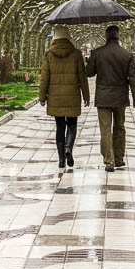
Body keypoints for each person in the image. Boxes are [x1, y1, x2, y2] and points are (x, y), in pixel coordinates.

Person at [86, 25, 135, 172]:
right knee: (120, 128)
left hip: (103, 98)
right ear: (119, 36)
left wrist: (90, 59)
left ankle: (109, 161)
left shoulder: (97, 53)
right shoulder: (126, 55)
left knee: (105, 129)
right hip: (120, 97)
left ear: (106, 36)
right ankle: (119, 158)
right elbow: (133, 78)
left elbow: (89, 73)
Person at [39, 25, 90, 169]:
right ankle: (68, 148)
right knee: (72, 125)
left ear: (55, 37)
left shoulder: (48, 54)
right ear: (68, 37)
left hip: (56, 98)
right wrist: (86, 95)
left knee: (60, 127)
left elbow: (44, 78)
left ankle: (61, 159)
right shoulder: (76, 54)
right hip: (73, 96)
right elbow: (82, 77)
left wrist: (42, 97)